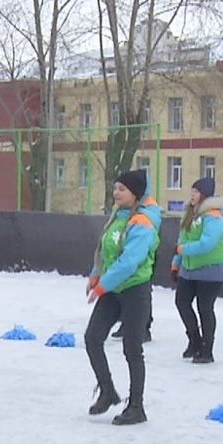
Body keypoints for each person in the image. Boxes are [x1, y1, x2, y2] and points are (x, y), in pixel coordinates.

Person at [84, 170, 160, 425]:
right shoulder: (118, 216)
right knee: (92, 338)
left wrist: (102, 286)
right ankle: (107, 391)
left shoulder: (143, 223)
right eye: (115, 188)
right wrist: (96, 274)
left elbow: (129, 262)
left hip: (134, 290)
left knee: (132, 348)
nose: (116, 193)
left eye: (122, 189)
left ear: (135, 194)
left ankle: (136, 406)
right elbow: (105, 250)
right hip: (113, 288)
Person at [171, 176, 223, 363]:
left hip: (211, 269)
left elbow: (207, 243)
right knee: (182, 302)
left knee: (204, 307)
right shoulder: (190, 213)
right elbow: (182, 239)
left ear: (205, 195)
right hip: (189, 268)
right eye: (192, 191)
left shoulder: (214, 216)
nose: (192, 195)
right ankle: (194, 340)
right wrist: (176, 262)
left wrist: (183, 250)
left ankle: (206, 349)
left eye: (196, 192)